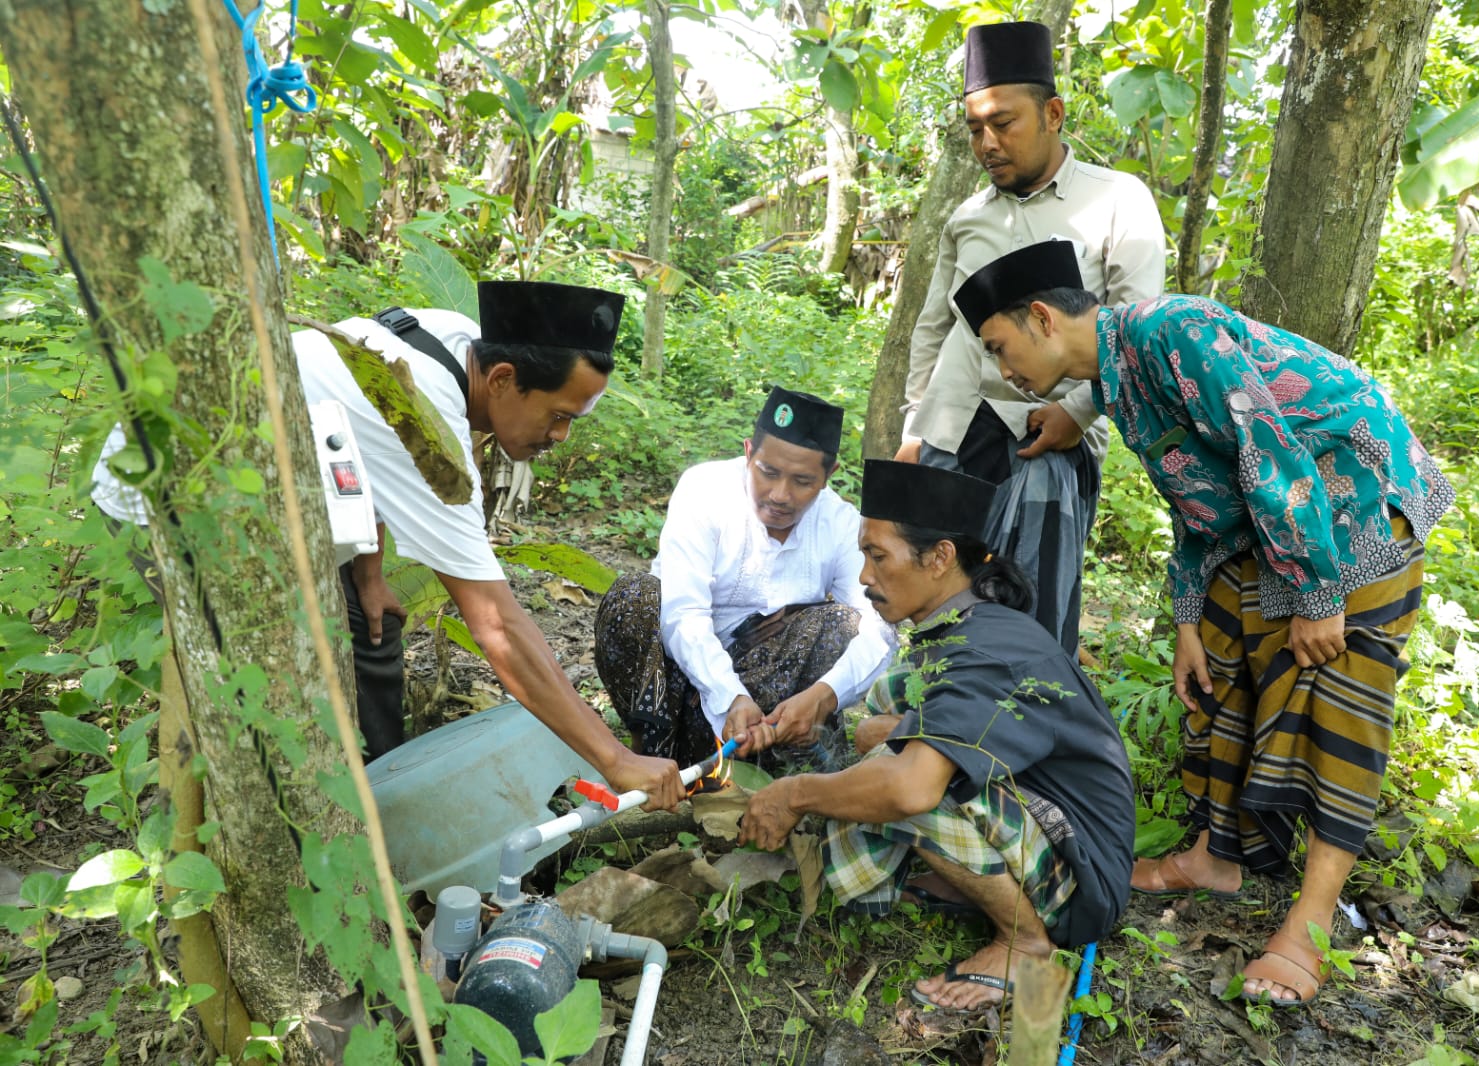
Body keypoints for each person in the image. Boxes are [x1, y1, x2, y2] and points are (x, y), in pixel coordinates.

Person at [953, 240, 1457, 1005]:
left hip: (1356, 508)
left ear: (1044, 318)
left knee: (1340, 693)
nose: (1003, 369)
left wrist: (1319, 596)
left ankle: (1312, 920)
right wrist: (1189, 617)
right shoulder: (1120, 382)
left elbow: (1267, 447)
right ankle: (1216, 856)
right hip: (1277, 525)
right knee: (1214, 659)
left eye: (1000, 347)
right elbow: (1201, 502)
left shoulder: (1170, 328)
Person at [91, 280, 685, 809]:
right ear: (504, 380)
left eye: (574, 420)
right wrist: (614, 759)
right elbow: (497, 628)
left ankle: (380, 797)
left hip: (267, 501)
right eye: (557, 415)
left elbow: (355, 437)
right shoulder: (428, 419)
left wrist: (369, 573)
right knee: (263, 699)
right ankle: (232, 825)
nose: (560, 435)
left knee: (370, 627)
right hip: (173, 510)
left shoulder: (459, 341)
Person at [739, 460, 1134, 1013]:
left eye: (878, 556)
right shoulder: (963, 626)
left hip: (1084, 875)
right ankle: (978, 877)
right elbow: (883, 732)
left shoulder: (986, 651)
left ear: (941, 557)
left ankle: (1024, 941)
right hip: (1054, 823)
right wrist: (890, 737)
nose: (863, 577)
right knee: (890, 731)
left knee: (906, 784)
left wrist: (794, 792)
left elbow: (909, 790)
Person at [894, 20, 1166, 654]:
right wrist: (916, 429)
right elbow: (935, 327)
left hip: (1046, 445)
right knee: (940, 608)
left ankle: (1028, 742)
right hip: (951, 435)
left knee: (1032, 614)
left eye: (1004, 123)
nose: (988, 142)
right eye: (974, 129)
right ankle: (937, 741)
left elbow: (1135, 332)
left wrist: (1076, 413)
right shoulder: (968, 219)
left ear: (1053, 113)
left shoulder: (1118, 202)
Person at [594, 387, 895, 770]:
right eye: (767, 473)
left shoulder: (839, 522)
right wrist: (730, 696)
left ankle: (765, 755)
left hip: (763, 701)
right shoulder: (705, 490)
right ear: (749, 451)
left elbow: (879, 630)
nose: (780, 495)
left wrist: (825, 695)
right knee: (634, 596)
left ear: (828, 476)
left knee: (842, 625)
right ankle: (650, 752)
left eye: (802, 481)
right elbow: (683, 613)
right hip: (674, 681)